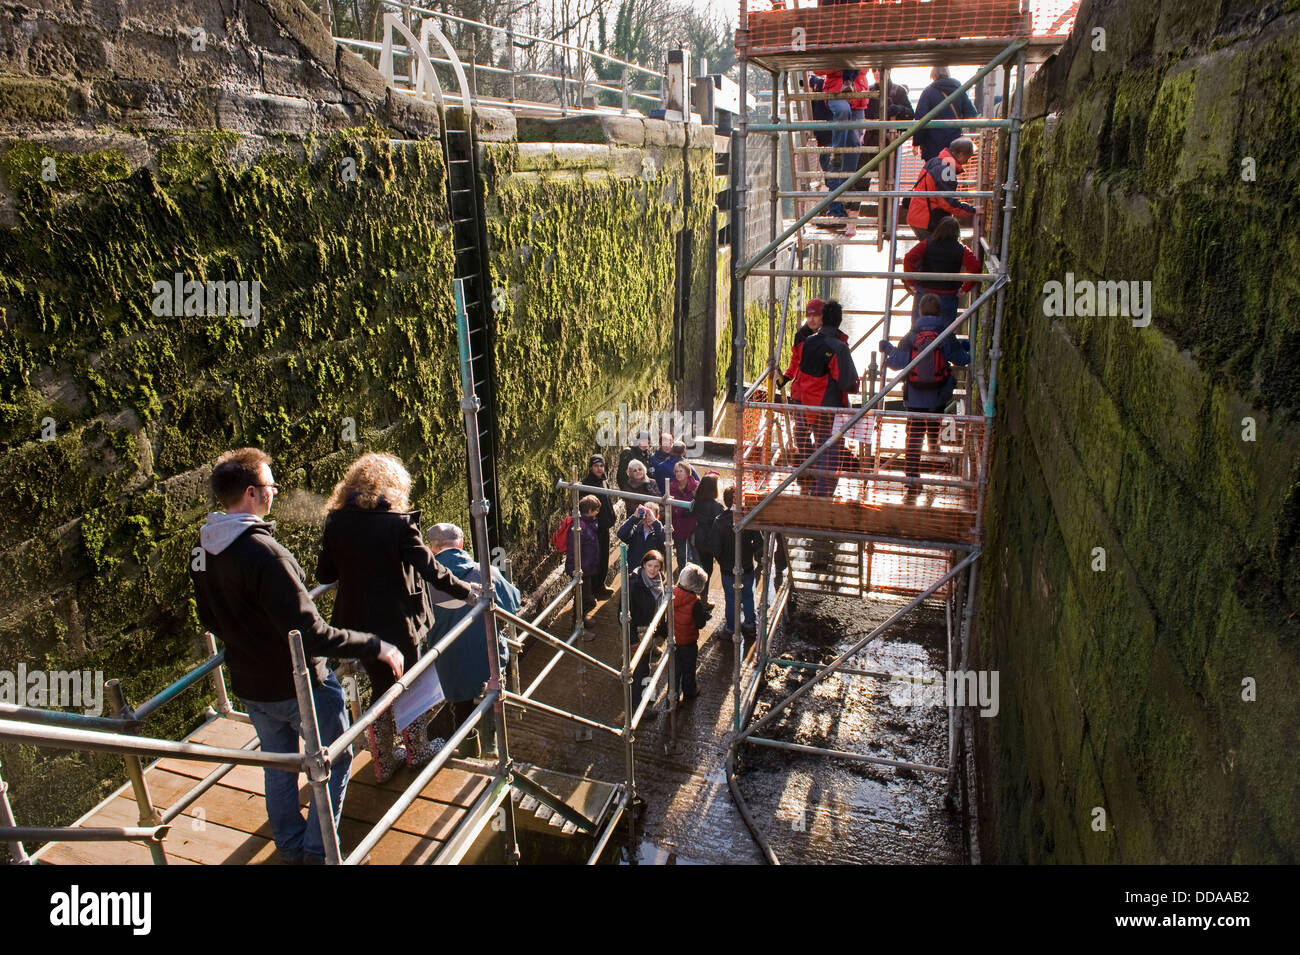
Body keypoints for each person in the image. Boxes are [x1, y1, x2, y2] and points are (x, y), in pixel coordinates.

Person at [190, 448, 405, 865]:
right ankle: (316, 850)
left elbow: (209, 618)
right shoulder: (266, 555)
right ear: (252, 493)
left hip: (251, 685)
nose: (275, 492)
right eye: (271, 486)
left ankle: (290, 847)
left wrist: (252, 641)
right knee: (334, 760)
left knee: (280, 767)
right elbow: (313, 634)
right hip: (299, 685)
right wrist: (376, 645)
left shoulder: (203, 550)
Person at [316, 453, 480, 783]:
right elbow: (431, 570)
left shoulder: (336, 523)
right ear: (392, 487)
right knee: (412, 682)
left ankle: (383, 759)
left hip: (357, 625)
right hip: (397, 623)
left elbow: (325, 573)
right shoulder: (399, 525)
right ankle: (416, 747)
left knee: (380, 688)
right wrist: (468, 592)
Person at [423, 523, 520, 758]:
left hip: (448, 662)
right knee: (492, 695)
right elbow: (513, 605)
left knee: (462, 708)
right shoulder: (484, 572)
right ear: (462, 544)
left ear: (431, 549)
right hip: (486, 658)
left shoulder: (422, 581)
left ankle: (467, 750)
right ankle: (491, 746)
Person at [880, 294, 971, 499]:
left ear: (920, 311)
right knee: (935, 418)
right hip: (938, 393)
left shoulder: (911, 335)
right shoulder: (945, 334)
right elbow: (960, 359)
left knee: (913, 437)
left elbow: (896, 362)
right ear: (939, 312)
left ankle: (912, 479)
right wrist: (969, 349)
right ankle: (933, 443)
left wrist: (887, 348)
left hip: (915, 396)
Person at [796, 301, 860, 495]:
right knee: (831, 451)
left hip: (809, 404)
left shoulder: (808, 342)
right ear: (839, 321)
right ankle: (821, 494)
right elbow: (847, 383)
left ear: (823, 319)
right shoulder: (838, 347)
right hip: (830, 407)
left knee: (818, 445)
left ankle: (814, 486)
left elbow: (804, 371)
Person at [903, 216, 981, 327]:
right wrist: (965, 288)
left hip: (925, 293)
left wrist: (911, 282)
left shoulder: (926, 244)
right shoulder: (961, 249)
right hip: (948, 295)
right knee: (945, 332)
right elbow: (975, 267)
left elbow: (909, 258)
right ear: (956, 232)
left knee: (918, 330)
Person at [714, 485, 762, 640]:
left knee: (730, 598)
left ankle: (730, 629)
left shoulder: (720, 521)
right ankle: (749, 625)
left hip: (728, 568)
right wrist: (750, 552)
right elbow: (759, 543)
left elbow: (715, 547)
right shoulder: (749, 519)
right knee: (748, 595)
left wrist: (722, 561)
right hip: (746, 566)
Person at [906, 137, 977, 240]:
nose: (967, 161)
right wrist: (972, 210)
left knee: (929, 251)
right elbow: (947, 203)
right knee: (938, 252)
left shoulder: (934, 161)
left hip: (918, 216)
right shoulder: (947, 171)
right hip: (928, 220)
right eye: (968, 157)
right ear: (961, 155)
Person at [627, 549, 667, 719]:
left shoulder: (659, 581)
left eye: (656, 566)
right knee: (641, 669)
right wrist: (633, 639)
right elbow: (623, 614)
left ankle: (644, 698)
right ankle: (637, 707)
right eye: (649, 565)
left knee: (645, 667)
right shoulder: (635, 585)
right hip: (639, 632)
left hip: (650, 631)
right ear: (643, 565)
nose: (652, 570)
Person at [914, 66, 977, 161]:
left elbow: (920, 118)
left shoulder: (928, 92)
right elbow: (971, 113)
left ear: (933, 75)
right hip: (954, 144)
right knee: (949, 172)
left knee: (933, 171)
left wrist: (917, 142)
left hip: (932, 145)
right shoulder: (959, 91)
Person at [672, 564, 711, 702]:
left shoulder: (672, 594)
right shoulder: (695, 603)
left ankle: (673, 695)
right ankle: (689, 691)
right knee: (688, 669)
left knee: (675, 670)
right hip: (688, 641)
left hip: (674, 639)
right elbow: (700, 624)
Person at [580, 453, 616, 598]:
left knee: (604, 558)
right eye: (596, 466)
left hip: (604, 527)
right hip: (594, 529)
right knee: (595, 559)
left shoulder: (603, 481)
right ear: (590, 468)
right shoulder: (586, 485)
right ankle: (594, 589)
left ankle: (600, 585)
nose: (599, 469)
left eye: (601, 465)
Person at [567, 495, 604, 630]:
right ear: (588, 510)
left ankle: (582, 619)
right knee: (581, 597)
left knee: (584, 596)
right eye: (595, 510)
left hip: (588, 567)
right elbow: (573, 550)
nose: (597, 512)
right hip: (581, 568)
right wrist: (575, 569)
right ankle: (577, 625)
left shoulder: (590, 522)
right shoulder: (579, 527)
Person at [777, 298, 825, 400]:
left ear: (823, 316)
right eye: (809, 316)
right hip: (800, 393)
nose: (812, 319)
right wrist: (786, 377)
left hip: (820, 393)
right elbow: (795, 361)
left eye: (815, 316)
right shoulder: (800, 336)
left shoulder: (829, 337)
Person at [690, 471, 725, 606]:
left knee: (702, 568)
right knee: (709, 571)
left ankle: (699, 597)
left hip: (699, 540)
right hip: (712, 542)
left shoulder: (696, 502)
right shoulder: (717, 507)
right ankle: (704, 601)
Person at [616, 500, 667, 569]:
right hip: (635, 573)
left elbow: (664, 540)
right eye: (645, 514)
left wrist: (655, 522)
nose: (647, 517)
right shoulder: (636, 530)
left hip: (653, 572)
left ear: (657, 517)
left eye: (650, 515)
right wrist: (634, 517)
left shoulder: (659, 531)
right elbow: (621, 534)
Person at [667, 460, 699, 568]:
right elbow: (669, 506)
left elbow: (701, 504)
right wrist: (680, 510)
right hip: (678, 525)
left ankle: (697, 578)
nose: (678, 474)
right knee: (681, 556)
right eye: (676, 471)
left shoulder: (696, 487)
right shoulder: (671, 487)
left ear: (687, 472)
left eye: (681, 471)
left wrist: (693, 511)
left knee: (696, 555)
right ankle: (682, 577)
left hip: (693, 525)